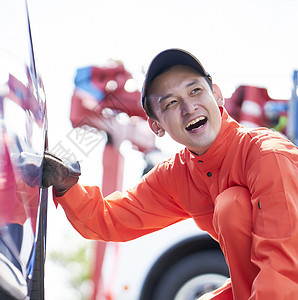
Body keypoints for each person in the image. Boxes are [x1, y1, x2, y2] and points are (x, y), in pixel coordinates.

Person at [42, 48, 298, 299]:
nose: (189, 107)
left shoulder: (267, 156)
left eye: (195, 90)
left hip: (287, 279)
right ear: (156, 126)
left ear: (217, 95)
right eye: (171, 103)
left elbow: (282, 268)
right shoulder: (178, 175)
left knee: (232, 206)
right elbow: (111, 219)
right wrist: (67, 187)